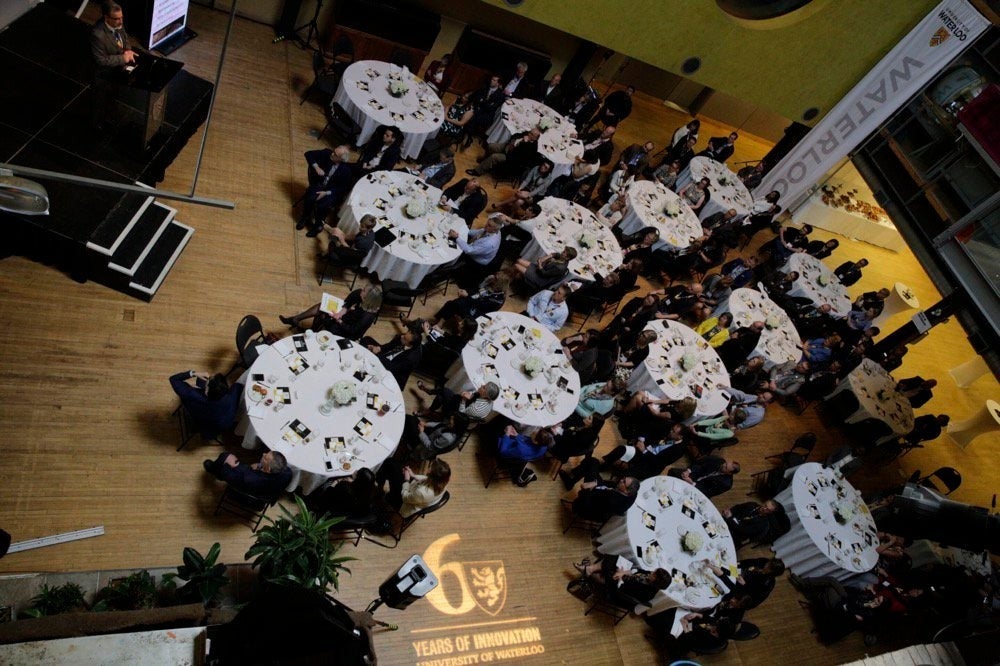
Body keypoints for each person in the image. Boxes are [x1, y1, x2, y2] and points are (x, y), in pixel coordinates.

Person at [90, 1, 137, 128]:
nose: (121, 21)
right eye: (117, 19)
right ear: (106, 18)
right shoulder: (98, 35)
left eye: (122, 17)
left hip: (116, 72)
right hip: (104, 76)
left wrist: (127, 49)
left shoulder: (117, 23)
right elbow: (101, 60)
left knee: (113, 99)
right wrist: (123, 58)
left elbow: (124, 37)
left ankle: (111, 119)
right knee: (100, 103)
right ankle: (97, 126)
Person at [279, 284, 382, 340]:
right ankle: (297, 320)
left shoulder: (368, 316)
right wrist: (342, 312)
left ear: (368, 299)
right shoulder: (359, 293)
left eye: (364, 291)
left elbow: (353, 331)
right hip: (345, 316)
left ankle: (312, 333)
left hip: (348, 329)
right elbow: (347, 302)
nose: (361, 290)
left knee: (325, 318)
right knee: (321, 307)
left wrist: (339, 320)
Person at [170, 370, 242, 438]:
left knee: (199, 380)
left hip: (202, 421)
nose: (208, 377)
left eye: (208, 380)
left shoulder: (192, 395)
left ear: (207, 392)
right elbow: (238, 386)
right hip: (221, 421)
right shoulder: (229, 397)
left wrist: (193, 373)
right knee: (201, 380)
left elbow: (173, 379)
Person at [298, 145, 353, 234]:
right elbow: (308, 154)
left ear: (341, 159)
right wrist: (316, 167)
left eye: (335, 154)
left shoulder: (346, 171)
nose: (332, 154)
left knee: (323, 205)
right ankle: (305, 217)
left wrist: (326, 193)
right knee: (310, 197)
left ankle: (318, 225)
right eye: (334, 151)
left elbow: (342, 188)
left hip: (330, 191)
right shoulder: (327, 153)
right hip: (319, 184)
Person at [573, 558, 670, 604]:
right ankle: (589, 569)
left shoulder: (647, 593)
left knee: (609, 572)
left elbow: (627, 592)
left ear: (656, 581)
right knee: (614, 558)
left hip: (620, 589)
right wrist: (623, 573)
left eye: (654, 574)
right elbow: (636, 571)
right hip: (624, 578)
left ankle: (588, 569)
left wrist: (620, 577)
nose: (652, 572)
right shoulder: (649, 575)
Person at [377, 458, 450, 517]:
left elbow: (405, 498)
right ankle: (380, 482)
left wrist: (407, 480)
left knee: (389, 464)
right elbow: (426, 479)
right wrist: (413, 475)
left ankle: (379, 488)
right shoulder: (442, 482)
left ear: (432, 475)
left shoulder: (422, 493)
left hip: (403, 503)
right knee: (393, 463)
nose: (428, 467)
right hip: (414, 493)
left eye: (430, 467)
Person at [203, 451, 291, 498]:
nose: (263, 454)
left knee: (224, 456)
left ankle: (214, 470)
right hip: (267, 493)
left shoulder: (249, 478)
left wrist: (229, 465)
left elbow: (228, 475)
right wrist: (260, 466)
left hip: (251, 489)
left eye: (265, 457)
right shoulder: (288, 472)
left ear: (268, 469)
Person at [432, 272, 508, 324]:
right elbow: (477, 290)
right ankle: (440, 322)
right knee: (454, 303)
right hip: (475, 301)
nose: (493, 277)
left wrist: (467, 296)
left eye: (495, 278)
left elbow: (480, 305)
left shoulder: (498, 299)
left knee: (455, 304)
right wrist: (467, 292)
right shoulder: (491, 284)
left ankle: (439, 322)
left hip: (479, 312)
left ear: (499, 283)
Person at [468, 127, 540, 177]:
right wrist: (513, 141)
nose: (529, 134)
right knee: (491, 146)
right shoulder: (527, 134)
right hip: (508, 146)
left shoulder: (532, 147)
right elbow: (515, 135)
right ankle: (485, 161)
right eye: (530, 132)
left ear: (535, 138)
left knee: (494, 157)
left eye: (531, 134)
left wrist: (524, 143)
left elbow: (519, 155)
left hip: (510, 157)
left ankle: (478, 171)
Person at [414, 381, 500, 423]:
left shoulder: (477, 408)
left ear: (486, 395)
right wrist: (467, 394)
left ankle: (429, 393)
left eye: (484, 387)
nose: (481, 385)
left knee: (444, 392)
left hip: (457, 414)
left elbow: (461, 413)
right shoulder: (484, 396)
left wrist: (464, 399)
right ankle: (429, 410)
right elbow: (473, 394)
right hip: (461, 402)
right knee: (441, 396)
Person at [311, 468, 377, 520]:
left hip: (335, 511)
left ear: (357, 479)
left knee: (325, 483)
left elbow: (328, 493)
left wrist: (337, 481)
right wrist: (352, 482)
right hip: (353, 514)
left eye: (357, 473)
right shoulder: (371, 492)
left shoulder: (344, 487)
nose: (356, 470)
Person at [571, 473, 640, 522]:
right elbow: (611, 483)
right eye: (624, 478)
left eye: (624, 482)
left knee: (590, 467)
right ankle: (571, 481)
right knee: (594, 462)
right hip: (600, 496)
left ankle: (573, 507)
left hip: (590, 509)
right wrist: (596, 482)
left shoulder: (611, 499)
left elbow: (588, 499)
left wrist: (587, 488)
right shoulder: (633, 493)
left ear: (626, 491)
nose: (621, 480)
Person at [669, 455, 740, 497]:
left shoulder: (726, 484)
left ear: (730, 473)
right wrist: (688, 471)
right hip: (694, 475)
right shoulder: (719, 461)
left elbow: (708, 492)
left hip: (699, 489)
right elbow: (701, 465)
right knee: (673, 472)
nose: (723, 465)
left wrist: (692, 483)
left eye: (726, 467)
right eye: (726, 463)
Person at [510, 246, 577, 291]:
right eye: (563, 251)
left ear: (567, 257)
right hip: (540, 270)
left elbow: (543, 274)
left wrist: (539, 263)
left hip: (540, 278)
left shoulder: (559, 268)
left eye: (564, 252)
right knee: (519, 260)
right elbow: (556, 254)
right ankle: (514, 277)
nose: (562, 252)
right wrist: (546, 257)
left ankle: (508, 279)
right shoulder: (563, 259)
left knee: (516, 265)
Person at [469, 75, 506, 139]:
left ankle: (468, 137)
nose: (491, 81)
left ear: (498, 83)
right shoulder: (484, 87)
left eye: (494, 80)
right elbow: (477, 98)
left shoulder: (500, 95)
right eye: (492, 79)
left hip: (487, 114)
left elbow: (492, 107)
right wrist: (486, 103)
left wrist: (483, 101)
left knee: (473, 118)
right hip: (478, 108)